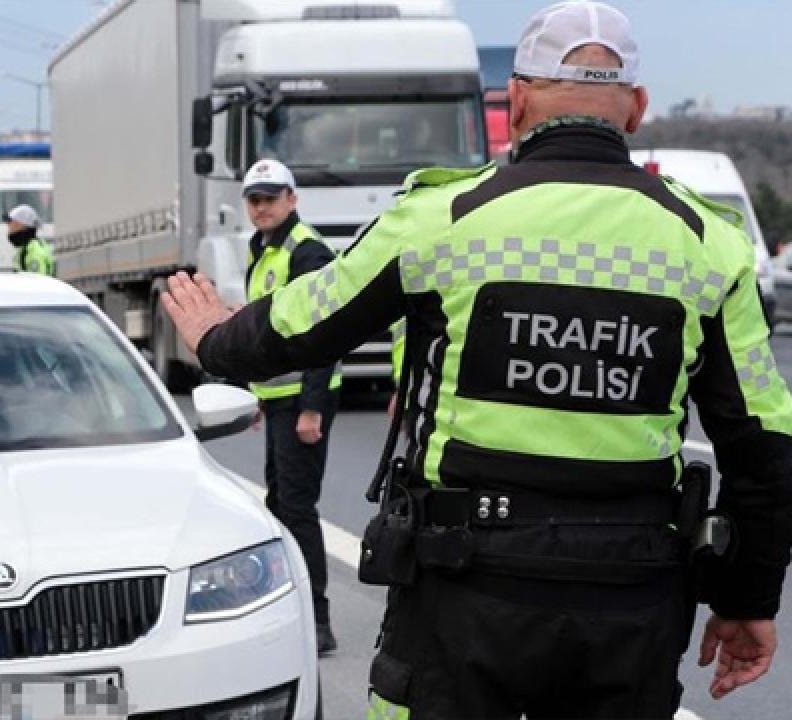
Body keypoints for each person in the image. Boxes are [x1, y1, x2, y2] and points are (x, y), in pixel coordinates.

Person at [161, 3, 792, 718]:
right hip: (632, 598)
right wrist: (747, 598)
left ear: (515, 101)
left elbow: (302, 327)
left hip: (463, 589)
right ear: (638, 108)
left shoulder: (443, 218)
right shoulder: (711, 242)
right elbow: (763, 444)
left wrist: (216, 338)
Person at [238, 158, 344, 655]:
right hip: (279, 398)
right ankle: (294, 609)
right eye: (255, 199)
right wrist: (257, 395)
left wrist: (312, 409)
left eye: (271, 198)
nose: (261, 207)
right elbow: (267, 332)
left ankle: (317, 621)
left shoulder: (307, 251)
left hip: (303, 400)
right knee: (279, 506)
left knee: (297, 509)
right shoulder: (262, 252)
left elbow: (323, 335)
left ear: (292, 200)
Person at [6, 204, 55, 276]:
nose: (10, 231)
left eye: (13, 226)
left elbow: (37, 283)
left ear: (24, 227)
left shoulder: (34, 252)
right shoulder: (26, 248)